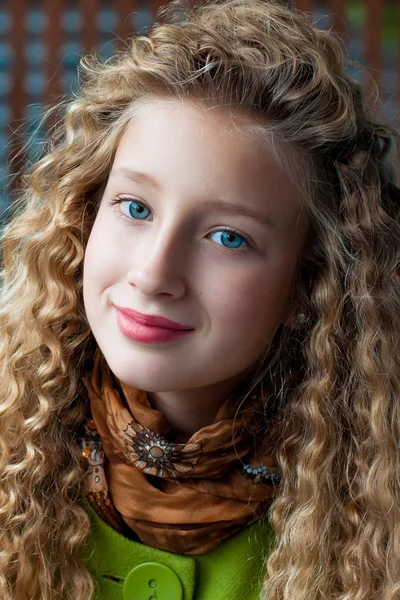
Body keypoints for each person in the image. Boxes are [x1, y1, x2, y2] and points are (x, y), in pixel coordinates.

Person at [1, 0, 399, 598]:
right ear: (83, 215)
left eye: (228, 238)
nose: (154, 273)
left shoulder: (378, 509)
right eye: (135, 207)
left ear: (307, 282)